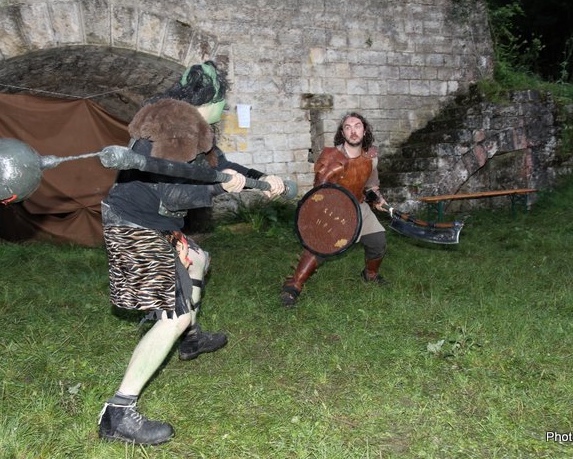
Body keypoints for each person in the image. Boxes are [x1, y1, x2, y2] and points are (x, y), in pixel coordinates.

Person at [97, 61, 285, 445]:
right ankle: (117, 413)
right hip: (133, 225)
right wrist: (221, 188)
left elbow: (219, 166)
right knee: (174, 315)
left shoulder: (192, 126)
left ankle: (191, 339)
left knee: (198, 259)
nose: (225, 108)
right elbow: (174, 193)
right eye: (223, 101)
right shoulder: (172, 128)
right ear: (212, 101)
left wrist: (260, 178)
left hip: (158, 224)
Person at [280, 112, 388, 307]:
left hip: (359, 206)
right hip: (333, 207)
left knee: (378, 241)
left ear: (364, 131)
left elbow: (371, 185)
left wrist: (378, 199)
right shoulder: (331, 155)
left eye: (357, 126)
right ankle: (294, 284)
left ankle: (370, 274)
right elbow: (319, 190)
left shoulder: (370, 157)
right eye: (348, 127)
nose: (353, 131)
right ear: (342, 133)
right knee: (321, 246)